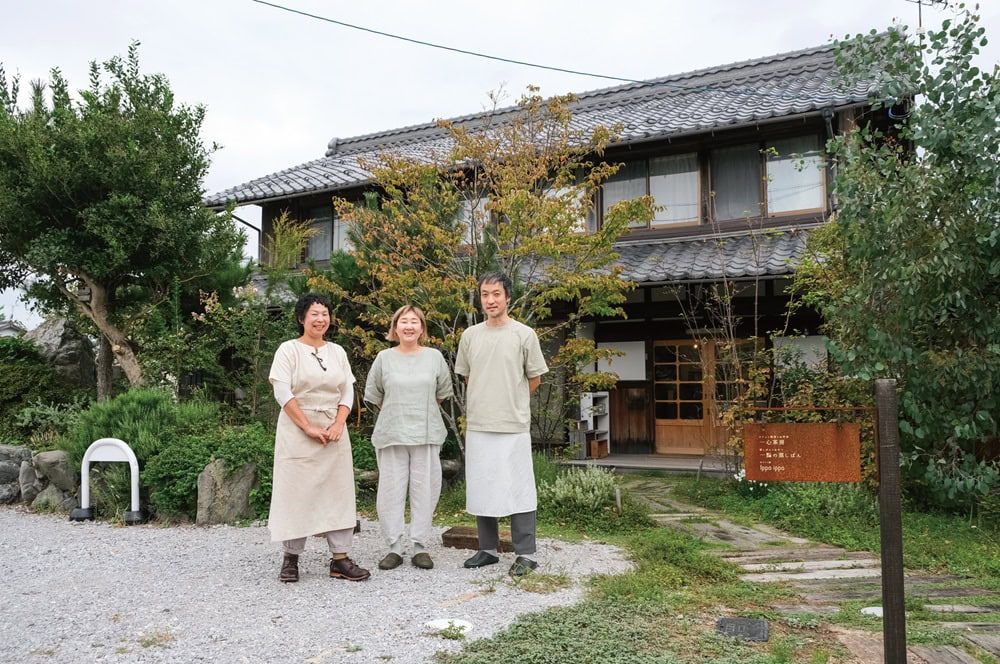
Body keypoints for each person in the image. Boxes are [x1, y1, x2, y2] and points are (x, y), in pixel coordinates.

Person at [268, 293, 370, 583]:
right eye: (314, 313)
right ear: (302, 318)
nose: (320, 319)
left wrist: (339, 422)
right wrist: (307, 427)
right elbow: (282, 392)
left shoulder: (337, 352)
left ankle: (340, 558)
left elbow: (347, 390)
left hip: (334, 430)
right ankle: (291, 557)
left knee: (338, 492)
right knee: (296, 492)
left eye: (325, 313)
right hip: (297, 429)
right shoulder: (288, 350)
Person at [454, 272, 548, 577]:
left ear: (508, 297)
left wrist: (512, 399)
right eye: (484, 294)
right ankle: (488, 549)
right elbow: (469, 377)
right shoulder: (470, 336)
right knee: (483, 487)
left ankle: (526, 553)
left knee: (520, 488)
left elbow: (534, 379)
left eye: (496, 294)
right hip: (480, 423)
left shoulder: (524, 334)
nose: (490, 300)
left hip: (513, 425)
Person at [363, 305, 453, 571]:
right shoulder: (383, 358)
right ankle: (393, 547)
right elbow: (377, 396)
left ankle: (419, 546)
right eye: (404, 321)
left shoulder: (434, 357)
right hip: (392, 432)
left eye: (414, 321)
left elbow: (441, 394)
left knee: (425, 490)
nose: (409, 326)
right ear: (395, 327)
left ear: (422, 328)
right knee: (390, 492)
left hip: (425, 433)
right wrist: (399, 411)